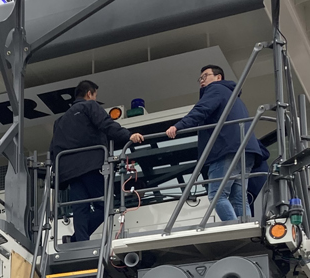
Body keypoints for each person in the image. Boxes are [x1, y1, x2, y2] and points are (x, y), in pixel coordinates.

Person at [164, 64, 268, 222]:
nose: (201, 81)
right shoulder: (234, 97)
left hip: (226, 150)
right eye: (200, 78)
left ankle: (234, 228)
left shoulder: (216, 89)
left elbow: (201, 110)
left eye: (205, 76)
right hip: (246, 151)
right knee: (240, 197)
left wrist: (178, 126)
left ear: (218, 77)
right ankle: (246, 226)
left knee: (216, 195)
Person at [48, 79, 143, 242]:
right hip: (91, 166)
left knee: (80, 209)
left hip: (70, 172)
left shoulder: (60, 121)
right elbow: (107, 125)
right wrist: (128, 135)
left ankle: (79, 240)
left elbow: (54, 148)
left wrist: (57, 174)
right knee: (105, 206)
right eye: (95, 95)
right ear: (89, 93)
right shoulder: (90, 106)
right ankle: (77, 239)